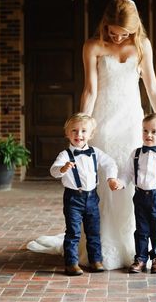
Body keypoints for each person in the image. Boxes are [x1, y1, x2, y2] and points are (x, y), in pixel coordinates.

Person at [26, 0, 156, 269]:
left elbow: (152, 87)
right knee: (104, 180)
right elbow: (90, 90)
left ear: (134, 29)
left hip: (133, 120)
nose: (118, 37)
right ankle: (101, 244)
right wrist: (83, 126)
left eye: (124, 33)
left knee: (134, 177)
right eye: (113, 31)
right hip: (104, 121)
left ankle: (138, 247)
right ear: (105, 24)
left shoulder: (142, 45)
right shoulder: (93, 46)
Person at [49, 112, 118, 275]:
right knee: (73, 231)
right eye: (74, 130)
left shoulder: (95, 152)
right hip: (73, 198)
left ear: (91, 134)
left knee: (93, 230)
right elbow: (53, 171)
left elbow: (110, 163)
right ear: (67, 133)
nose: (78, 134)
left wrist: (111, 178)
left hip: (92, 197)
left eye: (83, 131)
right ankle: (71, 263)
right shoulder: (64, 155)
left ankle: (96, 260)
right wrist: (62, 169)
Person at [113, 113, 156, 274]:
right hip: (140, 195)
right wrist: (120, 183)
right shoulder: (136, 153)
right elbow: (127, 173)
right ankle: (141, 259)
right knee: (141, 229)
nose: (148, 135)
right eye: (145, 130)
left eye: (153, 131)